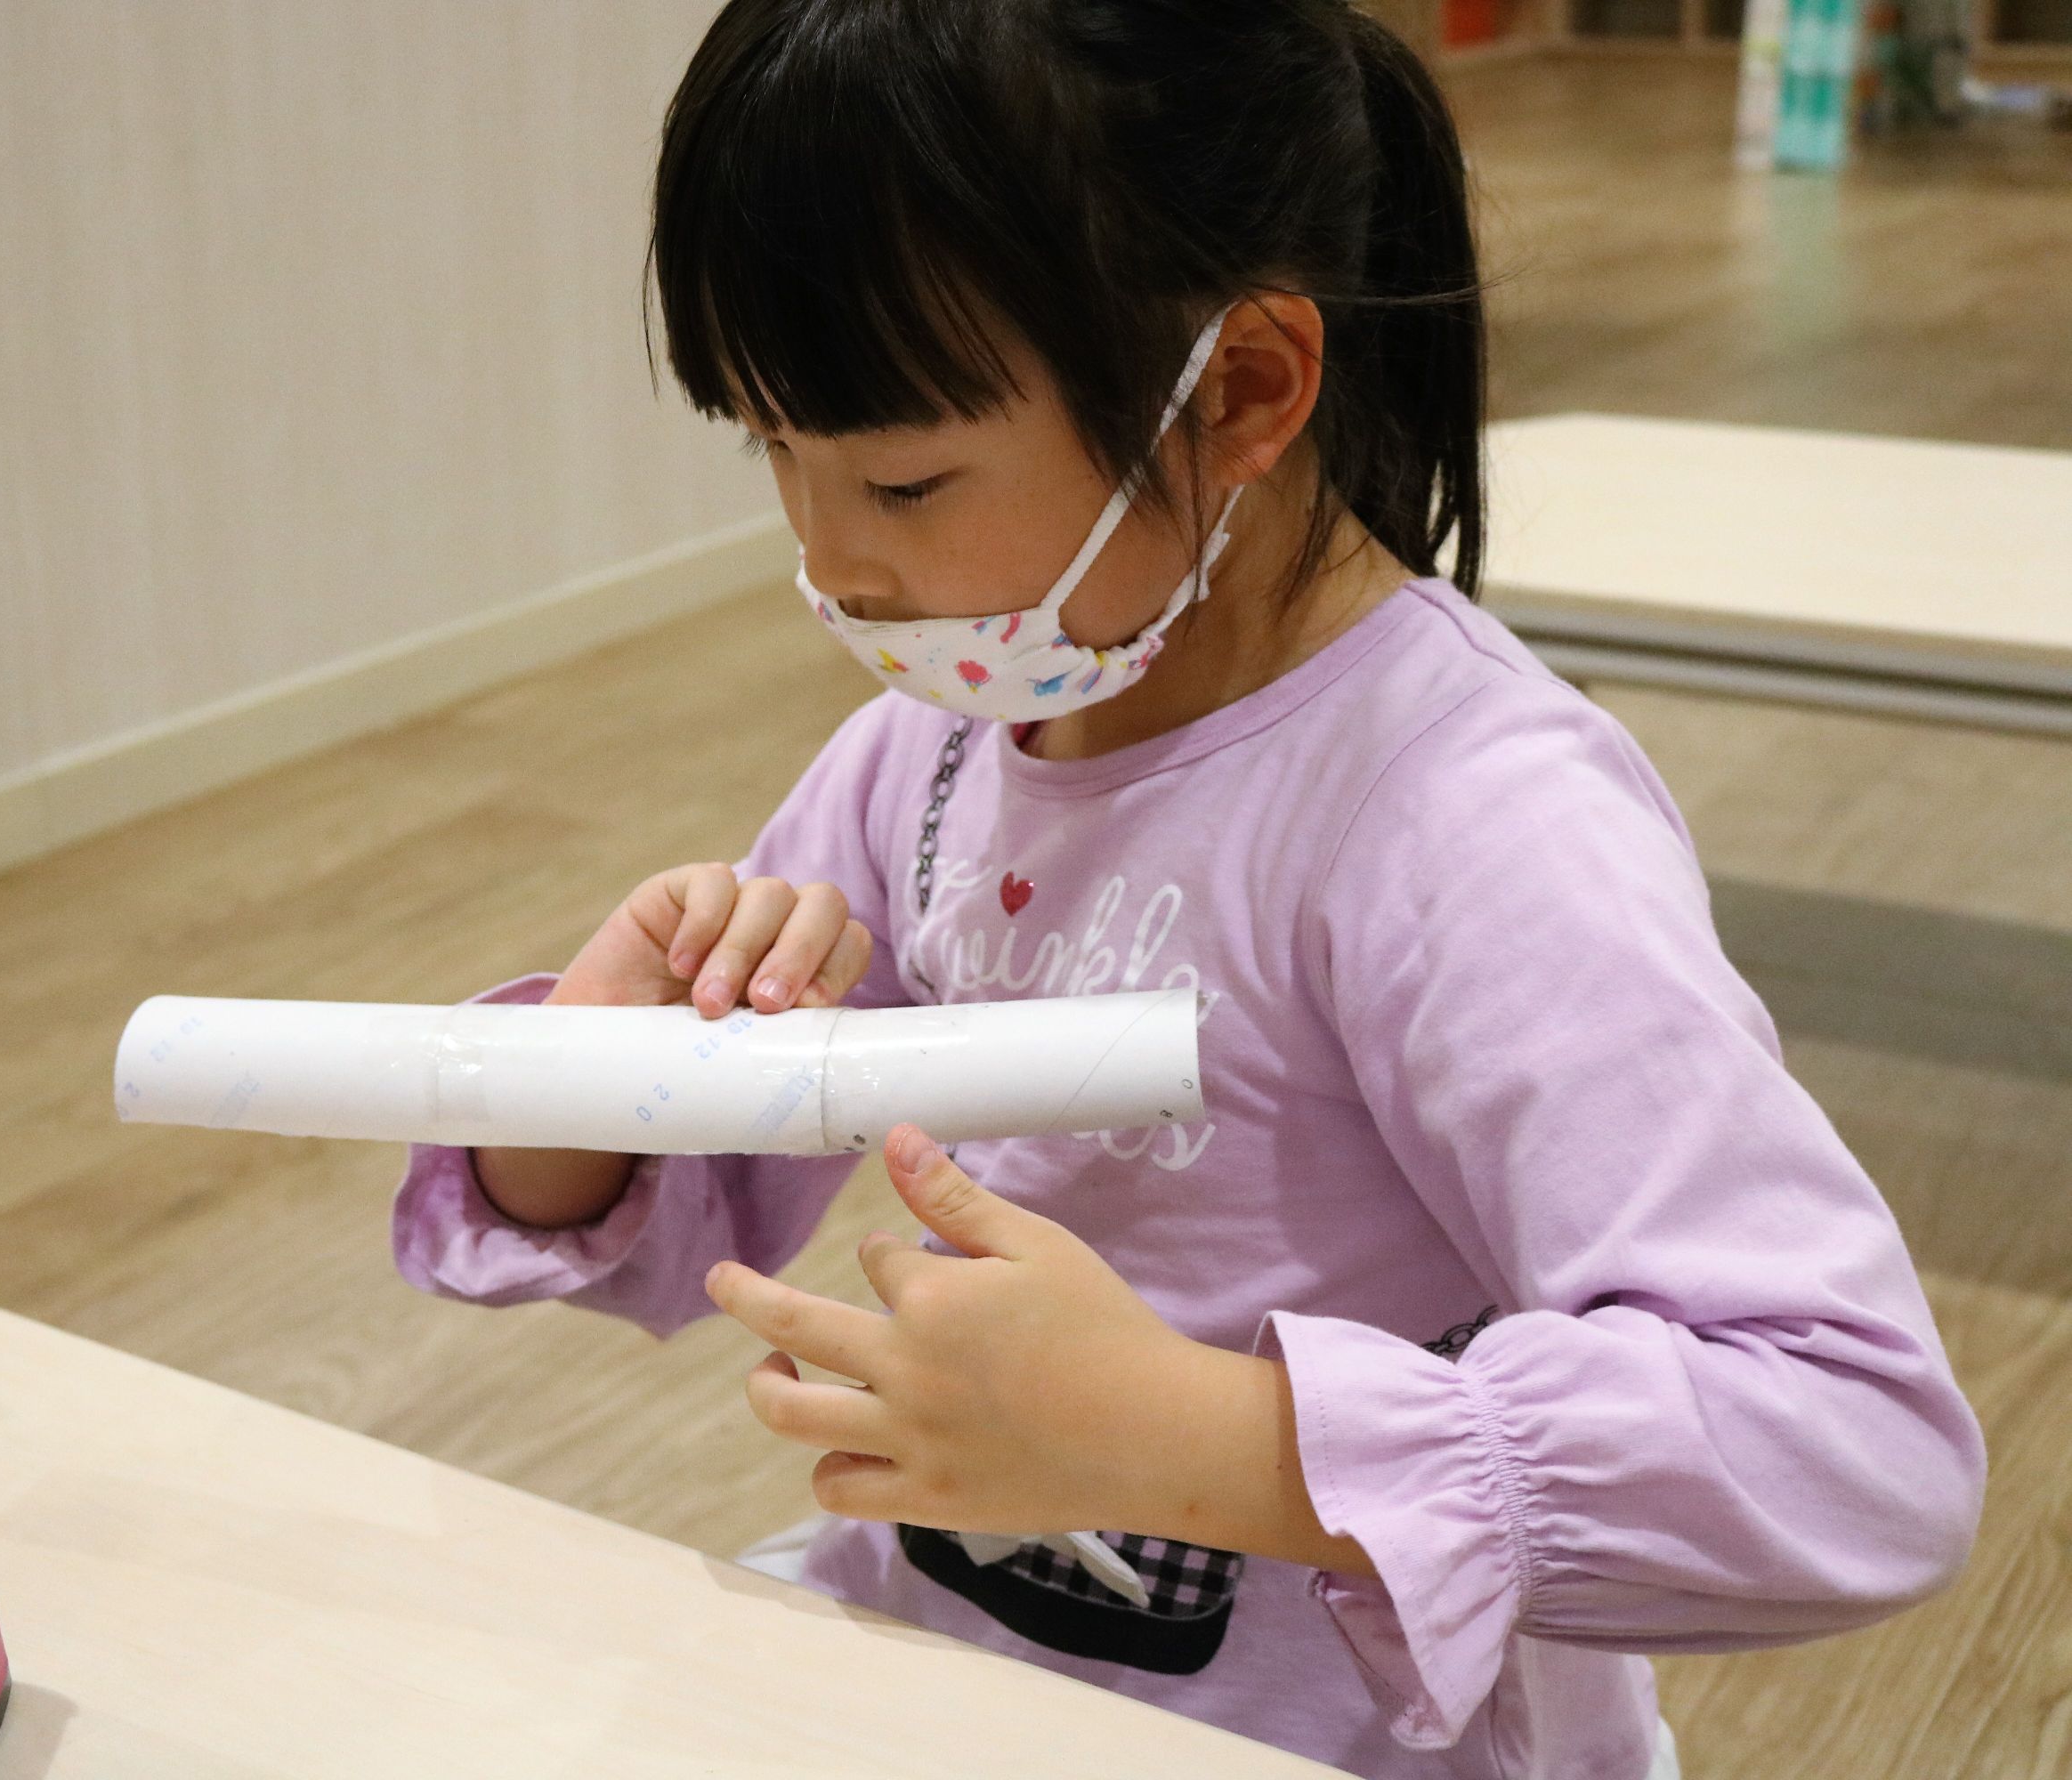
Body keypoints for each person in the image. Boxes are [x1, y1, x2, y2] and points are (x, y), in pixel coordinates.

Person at [393, 2, 1985, 1773]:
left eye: (902, 477)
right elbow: (674, 1217)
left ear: (1239, 391)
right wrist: (589, 1074)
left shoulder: (1463, 814)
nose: (830, 558)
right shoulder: (931, 753)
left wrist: (1189, 1440)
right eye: (770, 449)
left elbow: (1846, 1446)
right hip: (954, 1664)